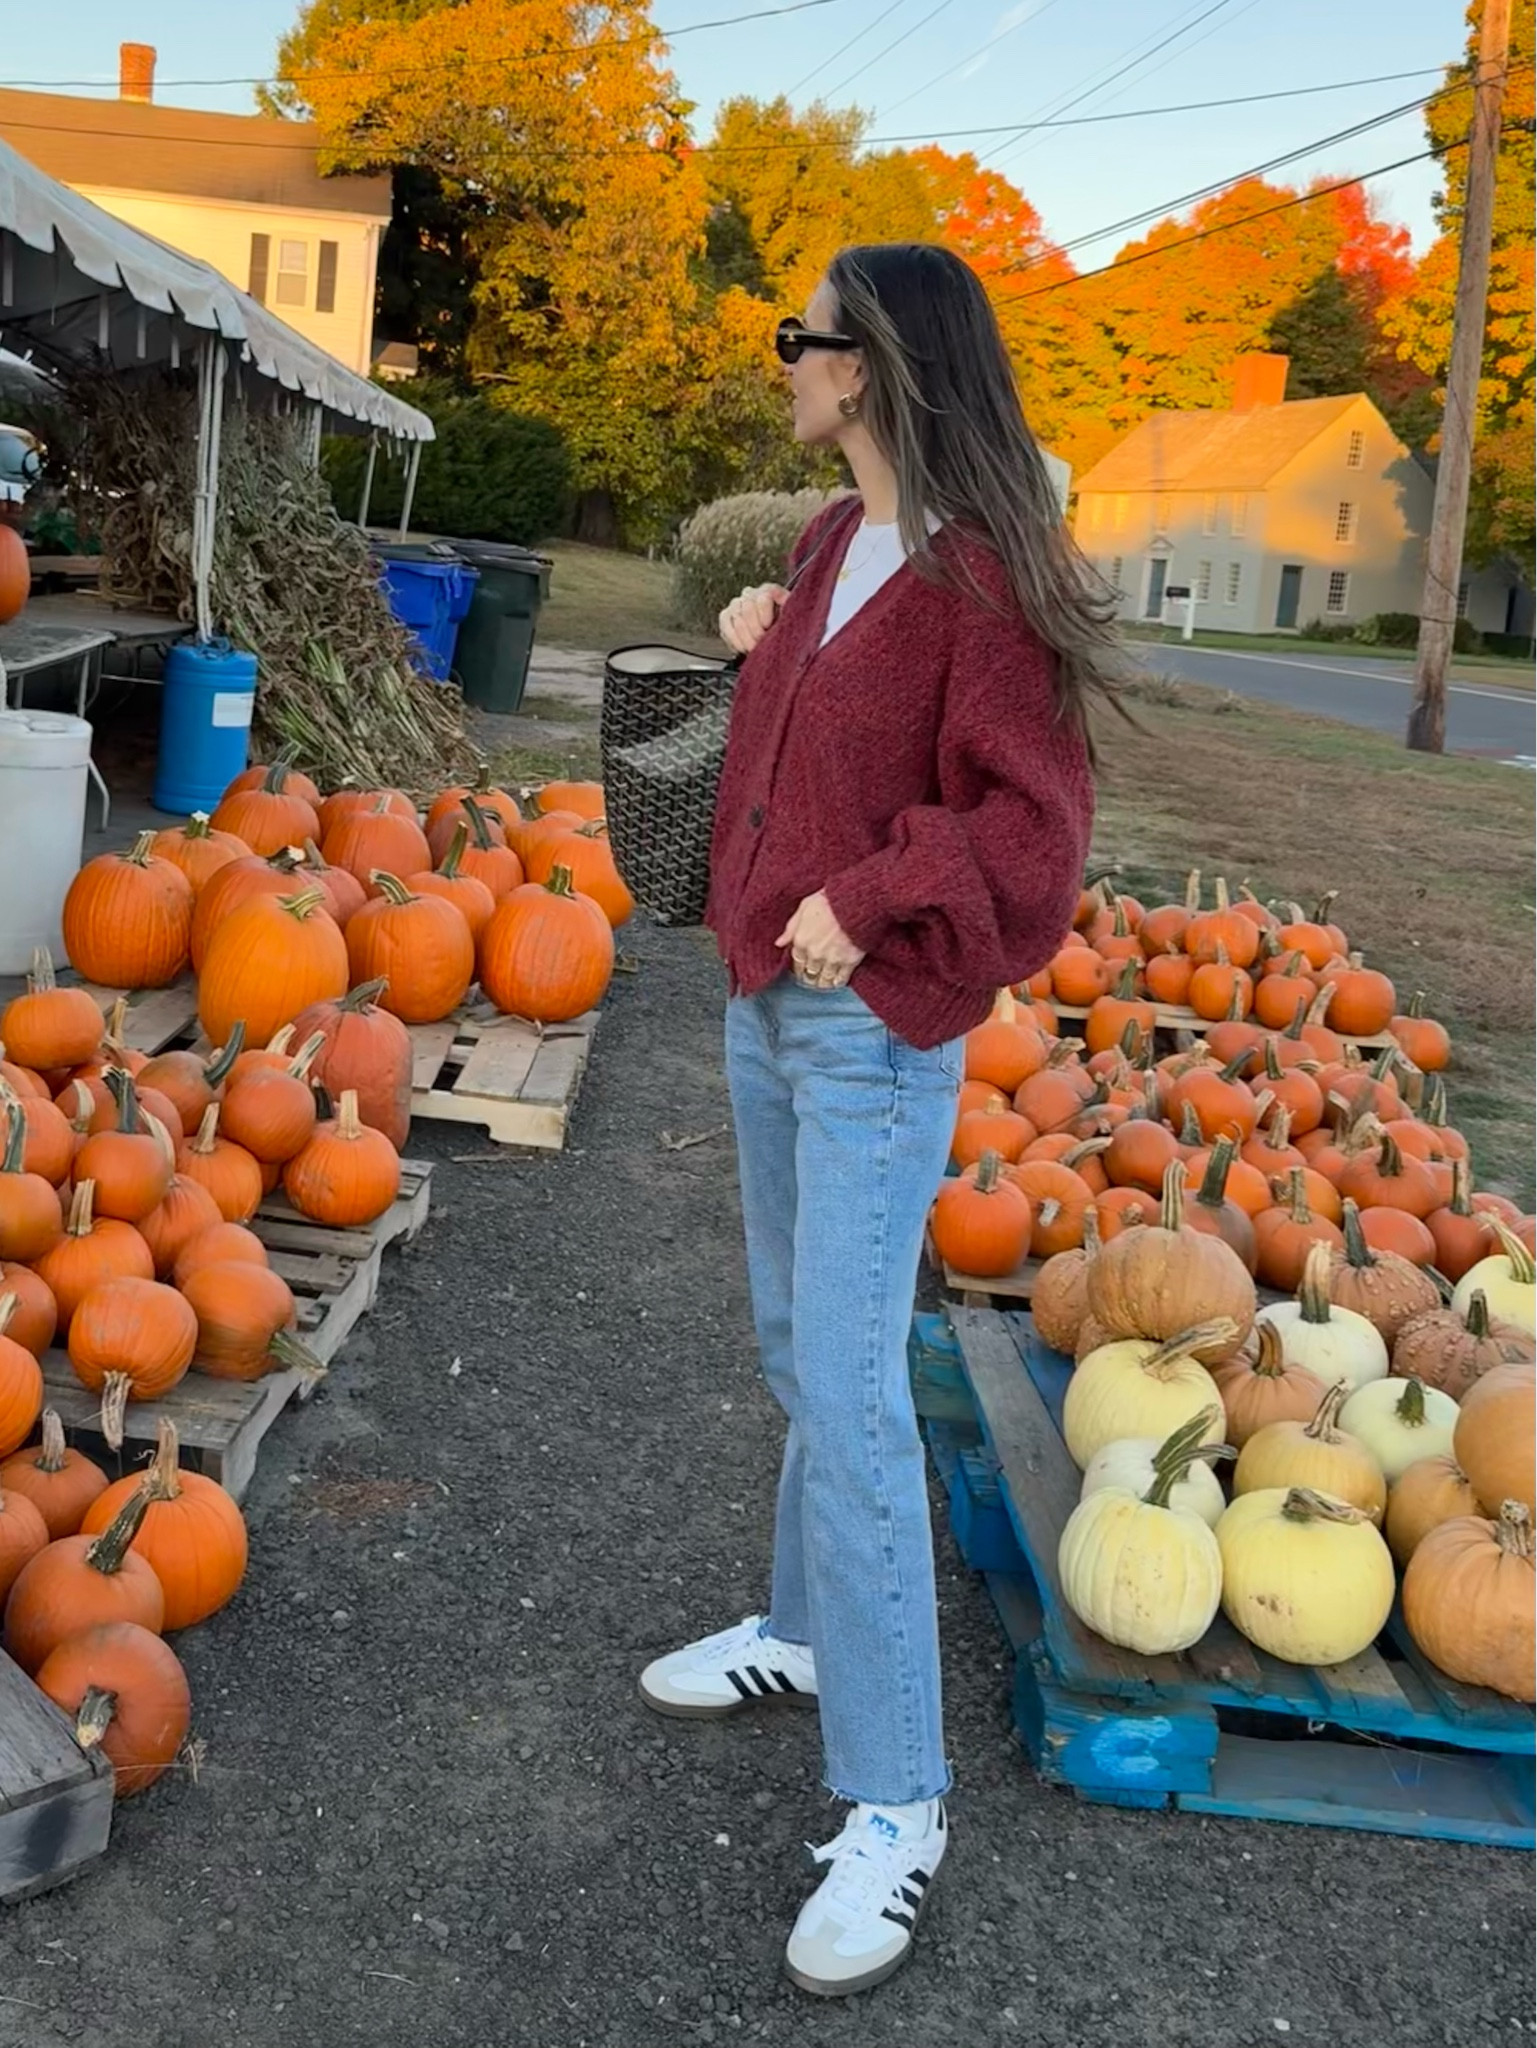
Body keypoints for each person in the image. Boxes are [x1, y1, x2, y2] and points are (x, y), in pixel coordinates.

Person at [639, 242, 1118, 1997]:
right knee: (795, 1352)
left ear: (874, 368)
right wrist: (756, 639)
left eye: (805, 340)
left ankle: (899, 1801)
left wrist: (879, 889)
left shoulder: (985, 578)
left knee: (850, 1391)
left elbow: (1032, 832)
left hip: (866, 1030)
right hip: (770, 1007)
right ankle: (798, 1627)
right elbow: (802, 752)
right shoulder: (832, 547)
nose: (786, 360)